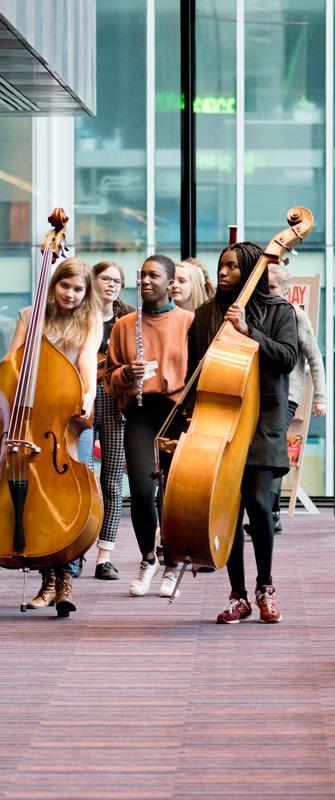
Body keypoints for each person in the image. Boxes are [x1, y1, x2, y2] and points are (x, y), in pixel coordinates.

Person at [187, 242, 298, 624]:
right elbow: (194, 373)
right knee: (227, 509)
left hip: (264, 419)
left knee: (258, 502)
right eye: (221, 266)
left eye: (233, 267)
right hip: (217, 425)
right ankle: (238, 595)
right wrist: (190, 421)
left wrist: (248, 331)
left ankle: (265, 586)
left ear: (251, 270)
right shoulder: (205, 314)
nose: (223, 272)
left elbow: (287, 358)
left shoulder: (279, 311)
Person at [16, 258, 102, 615]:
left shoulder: (90, 319)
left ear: (86, 293)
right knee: (37, 499)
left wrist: (88, 397)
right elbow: (14, 362)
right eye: (65, 286)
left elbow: (86, 362)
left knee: (71, 498)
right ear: (53, 285)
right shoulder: (30, 315)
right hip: (33, 416)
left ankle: (64, 578)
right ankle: (48, 580)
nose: (71, 294)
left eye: (78, 289)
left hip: (69, 419)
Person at [105, 255, 194, 598]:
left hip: (176, 412)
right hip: (141, 410)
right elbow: (110, 379)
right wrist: (127, 373)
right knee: (142, 492)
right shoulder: (126, 324)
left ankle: (172, 562)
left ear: (171, 283)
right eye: (141, 276)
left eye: (153, 276)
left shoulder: (189, 321)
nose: (143, 281)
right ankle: (147, 558)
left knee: (173, 493)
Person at [267, 263, 326, 532]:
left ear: (286, 291)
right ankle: (268, 509)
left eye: (272, 288)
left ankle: (272, 511)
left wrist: (320, 398)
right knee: (267, 450)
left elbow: (314, 358)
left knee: (273, 448)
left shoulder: (296, 316)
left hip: (288, 394)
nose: (268, 293)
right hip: (263, 393)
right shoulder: (258, 313)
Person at [90, 261, 134, 579]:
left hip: (115, 405)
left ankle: (104, 555)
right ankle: (74, 548)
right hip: (80, 405)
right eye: (106, 279)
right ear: (93, 281)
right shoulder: (80, 316)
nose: (111, 285)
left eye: (117, 280)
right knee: (79, 479)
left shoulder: (129, 318)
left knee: (112, 483)